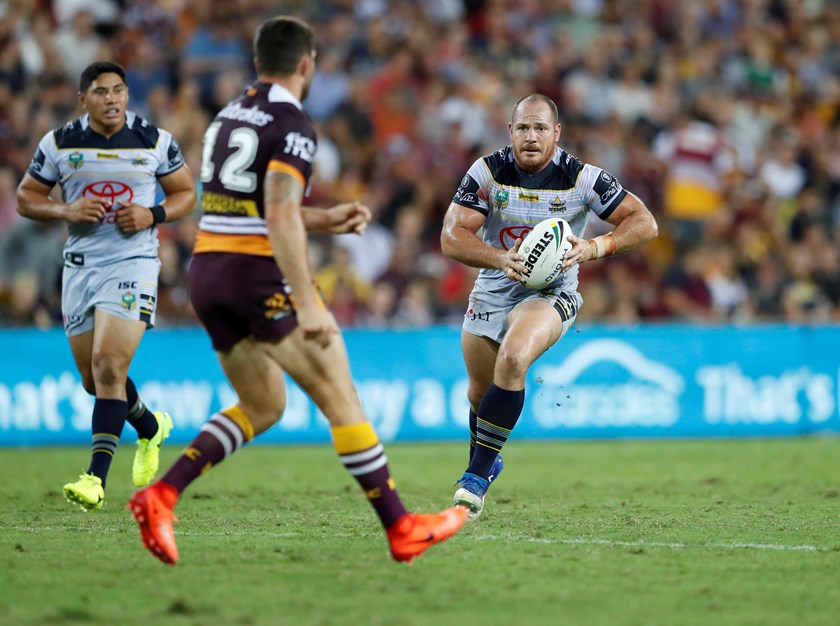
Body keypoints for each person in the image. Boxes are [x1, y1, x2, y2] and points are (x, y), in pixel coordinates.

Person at [129, 15, 466, 566]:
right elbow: (279, 212)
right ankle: (402, 527)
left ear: (261, 61)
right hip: (254, 275)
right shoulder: (294, 123)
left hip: (208, 273)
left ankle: (161, 495)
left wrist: (326, 217)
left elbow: (248, 208)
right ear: (307, 64)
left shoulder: (226, 118)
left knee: (264, 403)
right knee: (340, 393)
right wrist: (308, 303)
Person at [441, 93, 659, 520]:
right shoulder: (487, 172)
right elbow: (452, 237)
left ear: (556, 133)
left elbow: (644, 223)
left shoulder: (582, 178)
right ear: (510, 131)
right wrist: (500, 258)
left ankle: (475, 477)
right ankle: (488, 457)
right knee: (478, 393)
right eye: (523, 127)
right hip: (493, 286)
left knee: (515, 356)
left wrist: (595, 246)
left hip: (551, 293)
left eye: (541, 128)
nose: (531, 137)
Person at [16, 61, 197, 510]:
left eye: (119, 90)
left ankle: (95, 480)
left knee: (110, 365)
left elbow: (186, 194)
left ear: (127, 94)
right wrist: (67, 211)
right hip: (80, 267)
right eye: (102, 92)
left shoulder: (154, 141)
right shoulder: (59, 143)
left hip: (133, 263)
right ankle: (150, 427)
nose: (112, 99)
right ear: (84, 99)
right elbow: (26, 197)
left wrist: (151, 215)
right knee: (92, 380)